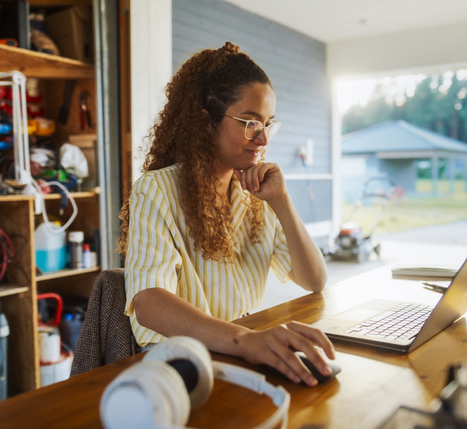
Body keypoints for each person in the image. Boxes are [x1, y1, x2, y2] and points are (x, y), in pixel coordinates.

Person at [118, 42, 335, 386]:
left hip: (242, 354)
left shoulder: (256, 194)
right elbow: (148, 302)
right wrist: (245, 340)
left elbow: (314, 280)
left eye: (268, 124)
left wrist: (282, 201)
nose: (262, 138)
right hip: (179, 367)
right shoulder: (157, 189)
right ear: (206, 121)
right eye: (250, 123)